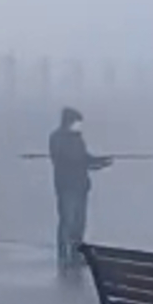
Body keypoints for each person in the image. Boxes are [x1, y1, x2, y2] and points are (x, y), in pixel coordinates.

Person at [49, 107, 112, 269]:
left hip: (81, 186)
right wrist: (90, 162)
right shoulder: (57, 138)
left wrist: (101, 161)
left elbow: (85, 158)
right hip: (66, 187)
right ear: (69, 122)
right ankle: (63, 255)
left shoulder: (77, 139)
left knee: (79, 222)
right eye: (77, 122)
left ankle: (76, 254)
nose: (79, 125)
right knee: (67, 221)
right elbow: (69, 159)